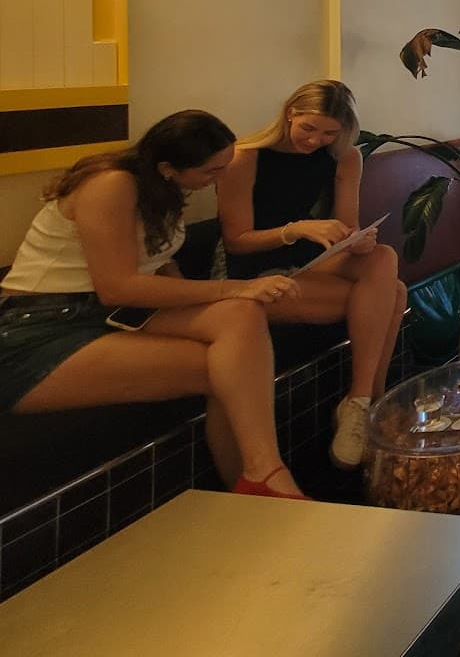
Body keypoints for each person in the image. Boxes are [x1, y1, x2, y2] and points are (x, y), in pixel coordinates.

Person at [2, 111, 308, 499]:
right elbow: (117, 286)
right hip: (40, 327)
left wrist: (222, 301)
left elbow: (157, 262)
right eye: (211, 172)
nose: (217, 180)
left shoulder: (158, 187)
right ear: (167, 167)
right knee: (228, 368)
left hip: (107, 313)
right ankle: (260, 484)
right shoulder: (110, 184)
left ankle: (262, 475)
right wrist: (234, 287)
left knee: (241, 317)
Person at [217, 80, 407, 471]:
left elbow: (345, 227)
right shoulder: (246, 157)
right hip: (254, 269)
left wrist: (357, 243)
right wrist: (297, 228)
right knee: (395, 295)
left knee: (383, 258)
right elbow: (236, 242)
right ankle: (368, 402)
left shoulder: (345, 157)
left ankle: (359, 403)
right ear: (290, 113)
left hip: (311, 261)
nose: (316, 140)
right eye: (308, 128)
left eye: (329, 133)